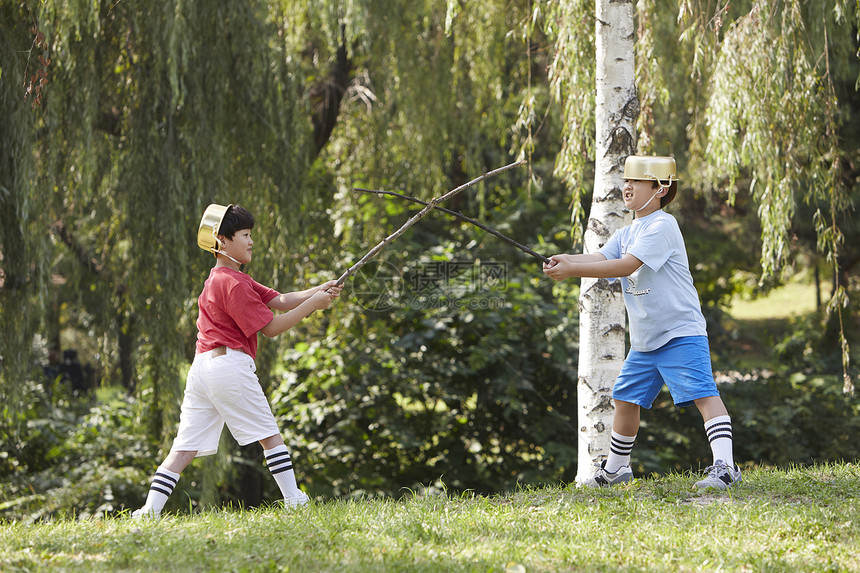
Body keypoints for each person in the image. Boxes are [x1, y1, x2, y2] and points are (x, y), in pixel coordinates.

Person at [543, 155, 741, 491]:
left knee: (703, 394)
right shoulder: (629, 231)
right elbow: (603, 257)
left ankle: (725, 467)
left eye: (637, 182)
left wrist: (573, 270)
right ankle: (617, 469)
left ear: (660, 188)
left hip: (680, 332)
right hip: (647, 341)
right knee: (625, 398)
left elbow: (625, 266)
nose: (627, 187)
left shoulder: (662, 226)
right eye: (626, 181)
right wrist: (566, 259)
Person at [132, 204, 343, 518]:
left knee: (184, 447)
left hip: (202, 369)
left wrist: (319, 290)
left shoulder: (223, 279)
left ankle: (149, 511)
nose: (251, 241)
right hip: (228, 366)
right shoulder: (234, 284)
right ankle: (294, 500)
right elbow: (271, 328)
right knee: (270, 434)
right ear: (222, 240)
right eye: (245, 234)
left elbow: (280, 299)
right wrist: (313, 305)